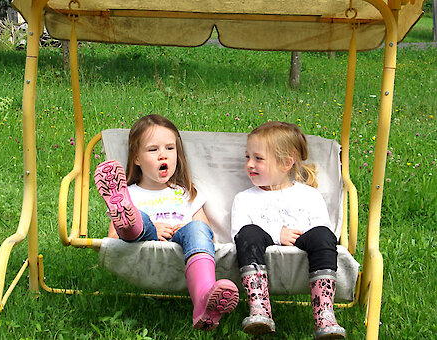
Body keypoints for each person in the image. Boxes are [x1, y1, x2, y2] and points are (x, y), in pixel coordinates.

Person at [94, 114, 239, 331]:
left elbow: (210, 234)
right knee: (138, 219)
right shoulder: (129, 194)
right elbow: (114, 239)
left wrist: (188, 229)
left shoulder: (185, 193)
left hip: (182, 242)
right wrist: (152, 229)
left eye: (170, 149)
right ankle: (132, 222)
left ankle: (204, 298)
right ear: (136, 159)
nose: (163, 155)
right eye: (153, 150)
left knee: (198, 229)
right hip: (144, 238)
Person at [231, 121, 346, 339]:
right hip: (261, 245)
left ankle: (324, 312)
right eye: (248, 157)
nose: (249, 164)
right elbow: (236, 234)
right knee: (248, 232)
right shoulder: (244, 199)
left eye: (258, 158)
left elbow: (323, 230)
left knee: (323, 234)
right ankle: (259, 306)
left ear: (285, 163)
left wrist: (295, 236)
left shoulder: (309, 195)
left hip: (304, 244)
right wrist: (277, 235)